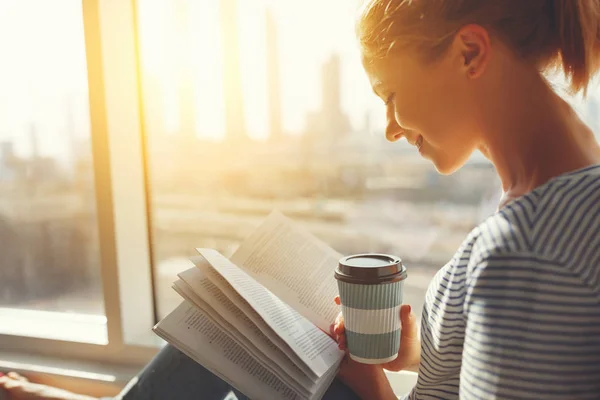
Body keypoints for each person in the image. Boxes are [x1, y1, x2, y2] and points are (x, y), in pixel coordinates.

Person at [3, 0, 600, 398]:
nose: (390, 127)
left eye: (391, 94)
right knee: (236, 312)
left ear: (469, 53)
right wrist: (426, 350)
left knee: (240, 327)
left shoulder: (526, 249)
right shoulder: (564, 194)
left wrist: (369, 388)